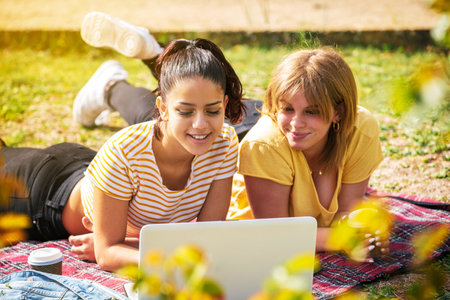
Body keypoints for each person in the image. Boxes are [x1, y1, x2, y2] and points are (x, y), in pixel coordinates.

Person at [1, 37, 246, 271]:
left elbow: (206, 236)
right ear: (163, 108)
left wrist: (131, 246)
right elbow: (107, 254)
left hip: (86, 166)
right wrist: (167, 259)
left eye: (212, 110)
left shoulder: (223, 144)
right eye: (185, 112)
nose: (201, 124)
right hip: (44, 194)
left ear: (223, 105)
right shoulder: (125, 152)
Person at [227, 48, 388, 260]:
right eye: (287, 109)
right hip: (252, 228)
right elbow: (275, 236)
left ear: (338, 112)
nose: (296, 123)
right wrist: (344, 239)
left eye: (311, 111)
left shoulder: (361, 129)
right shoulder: (263, 145)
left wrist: (358, 229)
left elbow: (345, 215)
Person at [73, 11, 262, 140]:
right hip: (251, 132)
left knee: (190, 102)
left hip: (263, 117)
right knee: (168, 126)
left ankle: (157, 54)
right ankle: (111, 87)